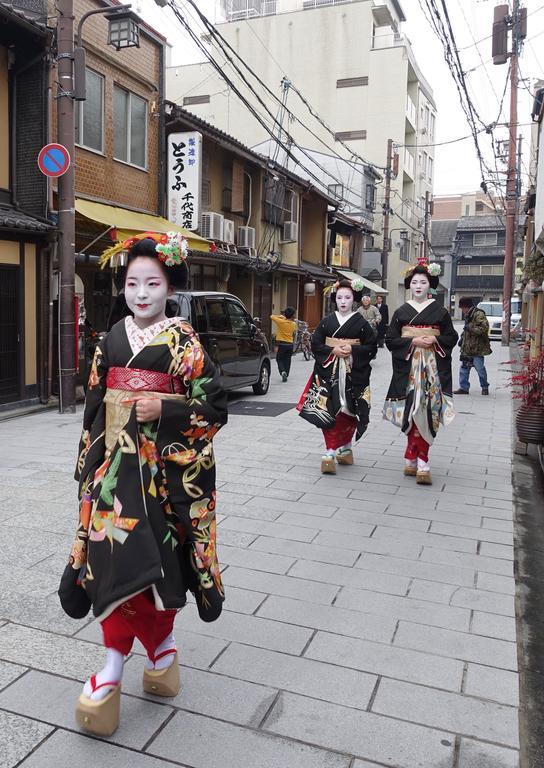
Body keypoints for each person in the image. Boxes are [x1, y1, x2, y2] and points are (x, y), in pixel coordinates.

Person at [58, 232, 228, 737]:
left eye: (152, 282)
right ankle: (121, 663)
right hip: (113, 475)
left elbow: (214, 407)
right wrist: (89, 464)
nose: (141, 293)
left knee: (159, 569)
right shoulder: (111, 339)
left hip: (160, 477)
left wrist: (169, 408)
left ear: (170, 286)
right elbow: (94, 402)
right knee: (110, 557)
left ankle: (158, 648)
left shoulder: (186, 343)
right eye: (133, 282)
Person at [383, 259, 458, 485]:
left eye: (423, 282)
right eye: (414, 282)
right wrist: (413, 340)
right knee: (410, 409)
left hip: (432, 370)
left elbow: (452, 337)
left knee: (428, 410)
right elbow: (390, 339)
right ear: (409, 285)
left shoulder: (440, 312)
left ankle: (422, 459)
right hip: (409, 370)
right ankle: (411, 453)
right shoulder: (401, 311)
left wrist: (434, 340)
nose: (418, 286)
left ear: (430, 285)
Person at [298, 278, 377, 474]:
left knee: (350, 409)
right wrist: (332, 351)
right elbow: (316, 344)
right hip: (329, 373)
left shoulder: (361, 322)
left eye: (348, 297)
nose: (343, 301)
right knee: (330, 408)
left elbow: (371, 347)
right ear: (335, 299)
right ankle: (330, 450)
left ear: (354, 299)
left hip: (352, 374)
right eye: (340, 297)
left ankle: (346, 446)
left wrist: (352, 349)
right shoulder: (327, 321)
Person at [454, 297, 491, 396]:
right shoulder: (468, 314)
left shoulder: (478, 314)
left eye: (462, 308)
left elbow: (484, 328)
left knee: (480, 368)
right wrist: (462, 339)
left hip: (477, 348)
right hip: (467, 347)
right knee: (464, 368)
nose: (462, 310)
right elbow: (466, 330)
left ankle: (484, 387)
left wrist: (470, 328)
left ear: (466, 307)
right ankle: (464, 388)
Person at [270, 306, 297, 381]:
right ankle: (286, 373)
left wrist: (281, 316)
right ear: (292, 315)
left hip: (282, 344)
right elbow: (294, 334)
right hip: (290, 344)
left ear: (285, 314)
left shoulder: (280, 322)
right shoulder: (294, 324)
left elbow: (271, 316)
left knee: (279, 359)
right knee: (288, 359)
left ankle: (282, 371)